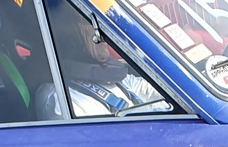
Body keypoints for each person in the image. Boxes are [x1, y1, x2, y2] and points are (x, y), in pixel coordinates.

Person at [36, 18, 165, 119]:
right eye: (95, 30)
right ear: (72, 37)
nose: (103, 37)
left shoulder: (114, 77)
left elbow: (162, 93)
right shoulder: (61, 101)